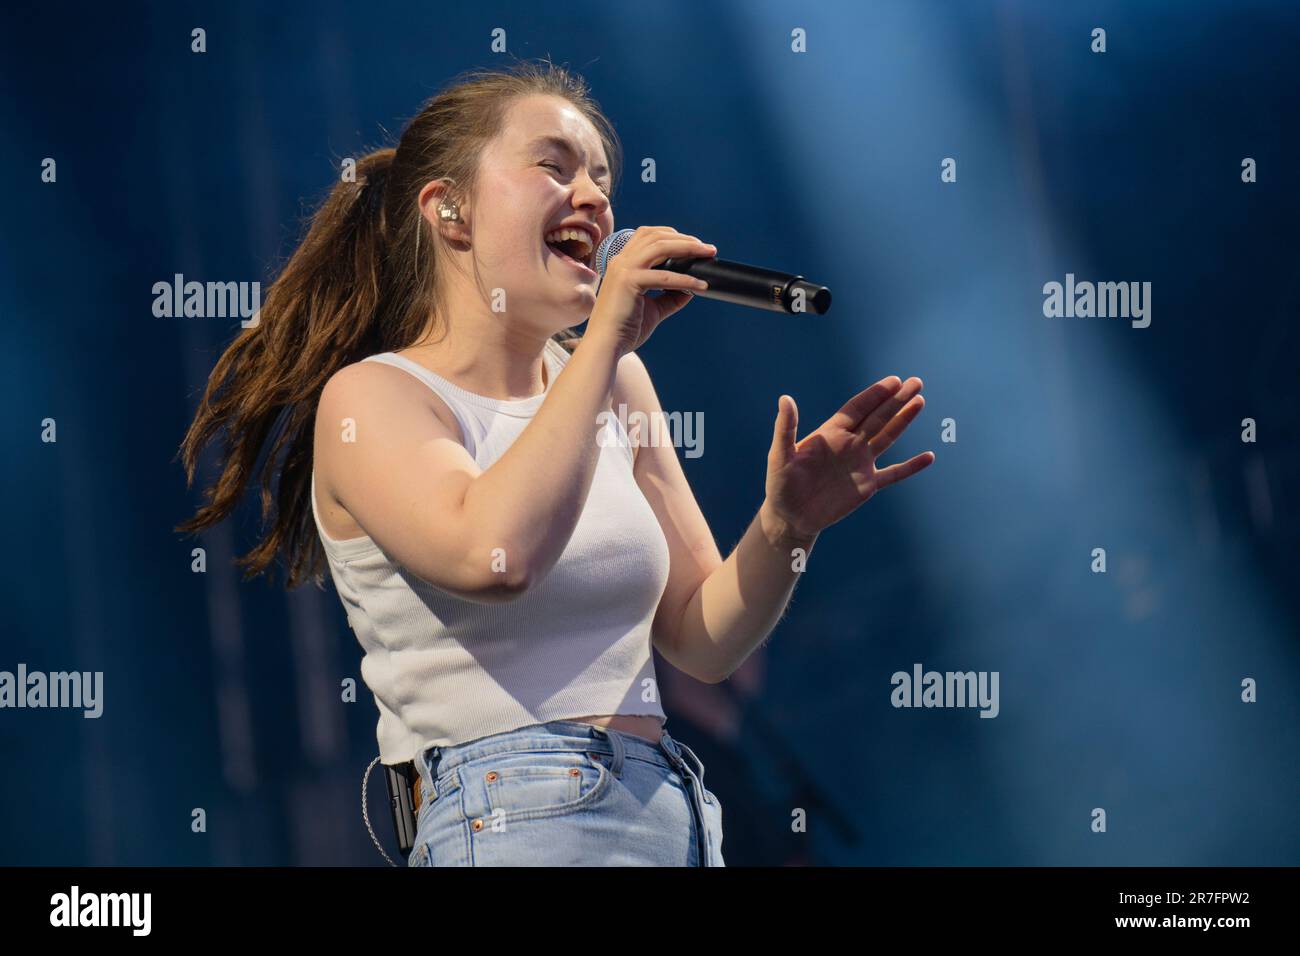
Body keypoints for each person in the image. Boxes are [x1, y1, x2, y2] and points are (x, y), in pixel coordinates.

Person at [176, 59, 934, 867]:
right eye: (554, 166)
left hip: (673, 809)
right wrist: (604, 341)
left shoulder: (617, 384)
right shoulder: (375, 399)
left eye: (603, 178)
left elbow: (702, 643)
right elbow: (492, 556)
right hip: (513, 814)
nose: (596, 198)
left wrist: (788, 525)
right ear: (450, 209)